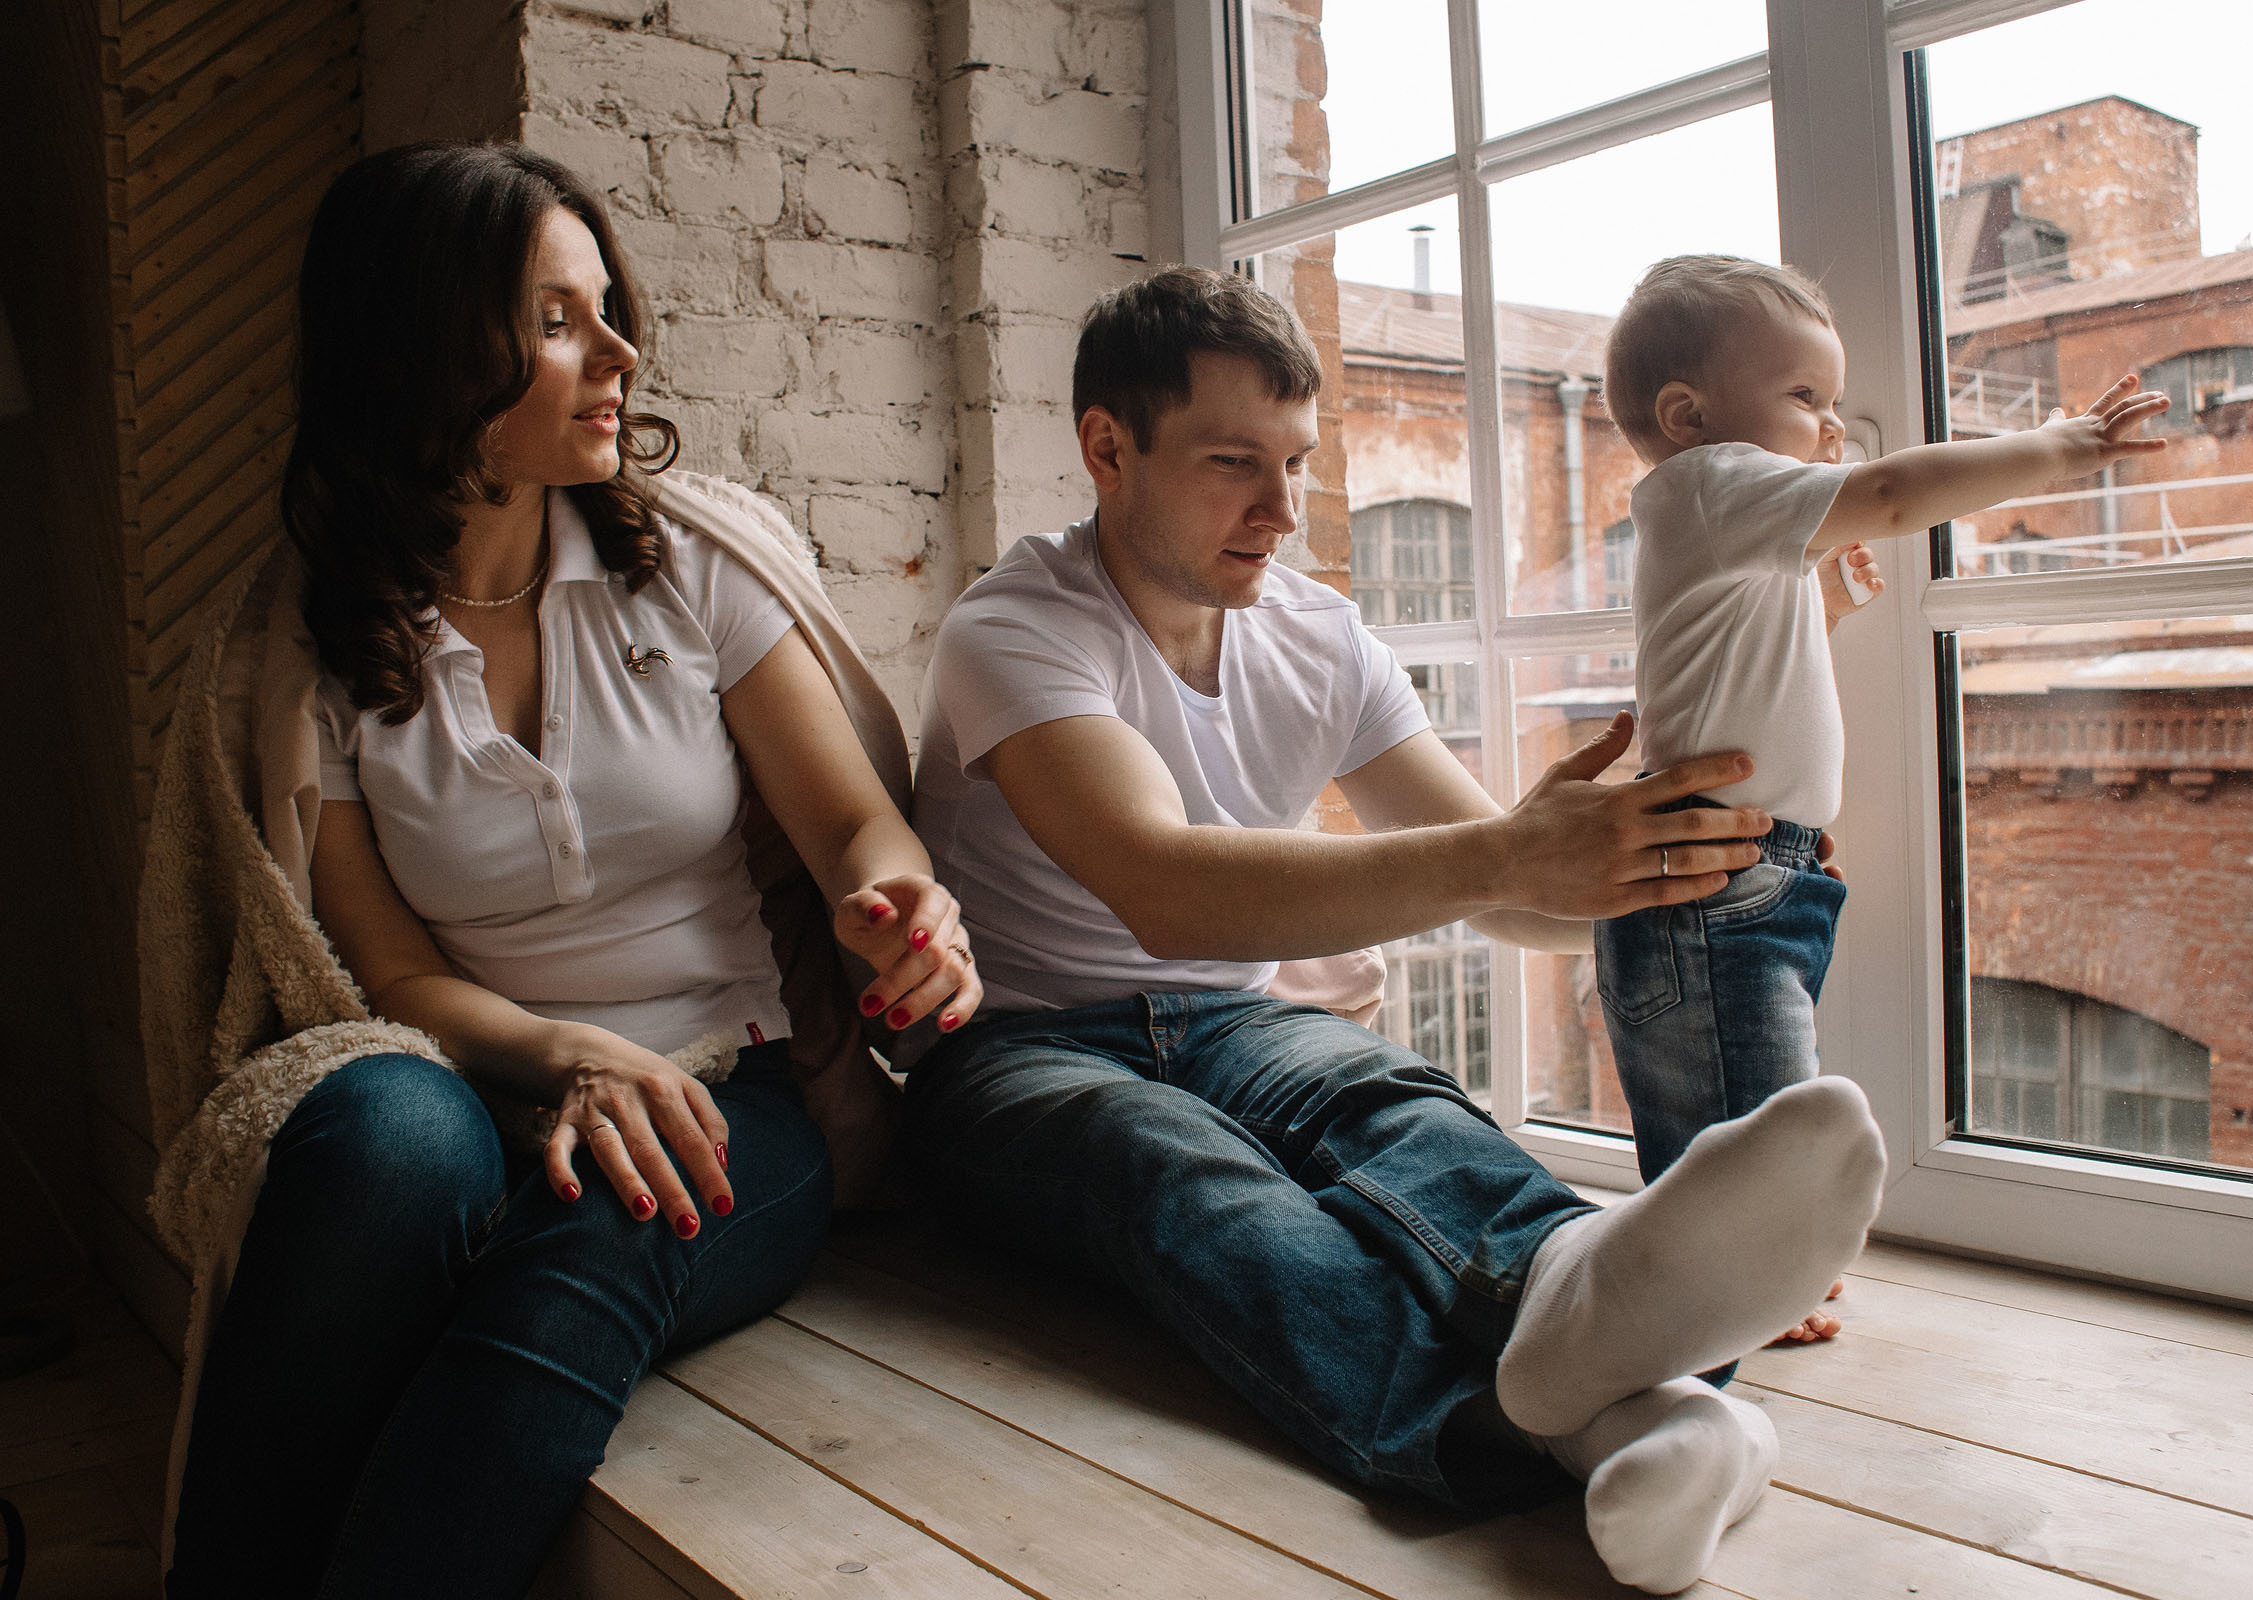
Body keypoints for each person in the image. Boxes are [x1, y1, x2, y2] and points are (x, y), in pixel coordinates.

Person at [901, 265, 1888, 1594]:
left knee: (1402, 1111)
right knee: (1184, 1172)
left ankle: (1624, 1362)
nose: (1282, 508)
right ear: (1108, 448)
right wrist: (1517, 850)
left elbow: (1502, 889)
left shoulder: (1319, 636)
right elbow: (1163, 885)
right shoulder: (1015, 626)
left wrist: (1682, 872)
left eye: (1297, 463)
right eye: (1234, 463)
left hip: (1233, 1020)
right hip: (1016, 1047)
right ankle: (1565, 1426)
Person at [156, 143, 979, 1599]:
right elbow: (388, 976)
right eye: (553, 321)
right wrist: (569, 1056)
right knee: (382, 1143)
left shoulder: (693, 571)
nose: (618, 352)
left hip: (733, 1089)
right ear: (422, 353)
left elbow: (856, 829)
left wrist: (901, 899)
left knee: (612, 1223)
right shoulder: (310, 655)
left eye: (606, 308)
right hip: (477, 1083)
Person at [1591, 254, 2166, 1335]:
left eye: (1834, 402)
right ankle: (1731, 1294)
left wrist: (1821, 612)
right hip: (1717, 883)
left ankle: (1751, 1270)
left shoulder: (1723, 517)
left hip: (1760, 867)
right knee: (1746, 1108)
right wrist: (2062, 446)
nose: (1832, 427)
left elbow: (1744, 679)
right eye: (1805, 396)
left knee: (1754, 1096)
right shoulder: (1712, 482)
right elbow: (1895, 495)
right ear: (1688, 416)